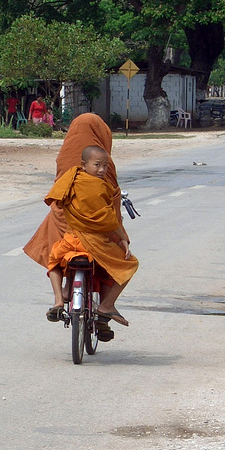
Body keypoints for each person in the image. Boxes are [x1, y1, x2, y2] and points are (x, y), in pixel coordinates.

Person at [24, 114, 135, 333]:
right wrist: (122, 237)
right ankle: (104, 313)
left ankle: (62, 294)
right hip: (98, 233)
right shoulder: (106, 166)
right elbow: (110, 211)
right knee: (118, 259)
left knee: (53, 252)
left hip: (67, 230)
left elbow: (55, 197)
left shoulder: (69, 161)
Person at [43, 145, 139, 327]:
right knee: (130, 264)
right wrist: (122, 238)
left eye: (105, 166)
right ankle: (107, 305)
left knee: (54, 261)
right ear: (84, 165)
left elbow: (58, 203)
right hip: (95, 243)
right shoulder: (101, 187)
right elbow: (109, 219)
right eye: (97, 165)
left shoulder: (71, 179)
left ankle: (58, 299)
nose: (102, 170)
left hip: (71, 241)